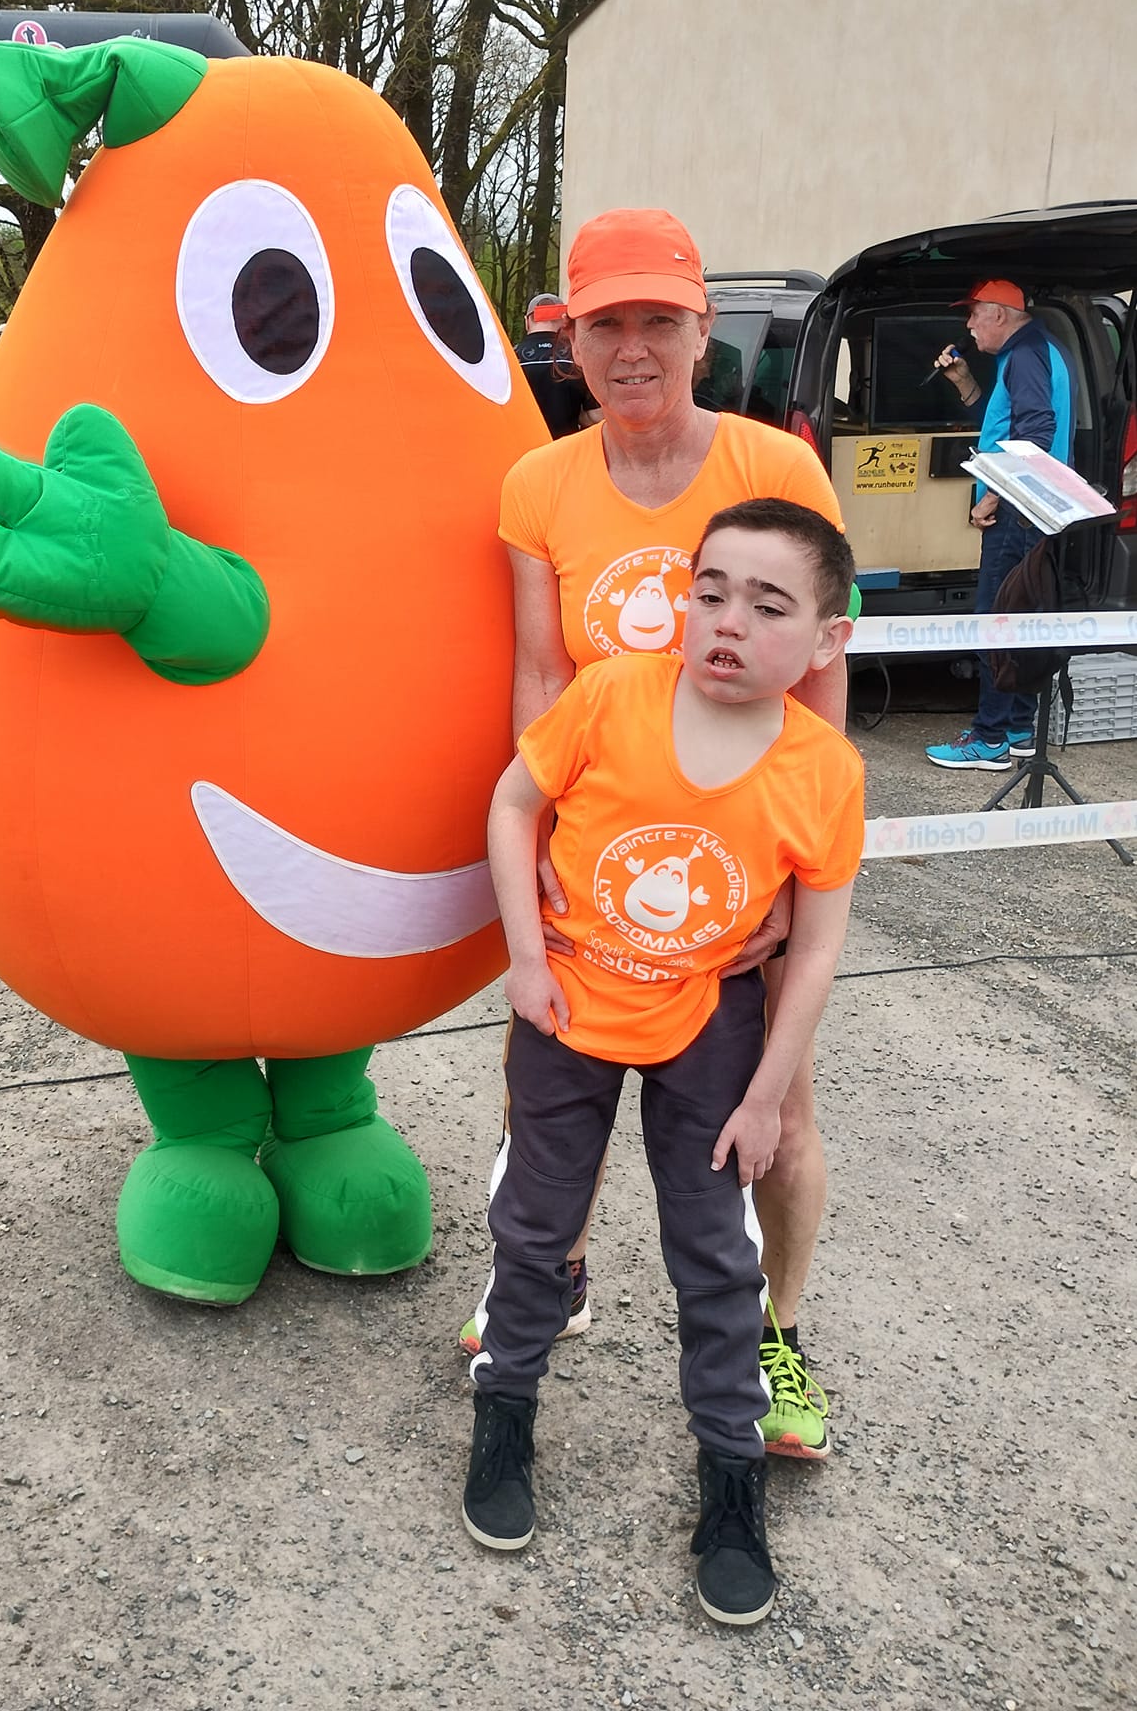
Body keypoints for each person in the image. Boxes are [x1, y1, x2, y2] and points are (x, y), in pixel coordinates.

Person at [460, 208, 849, 1465]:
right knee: (550, 1083)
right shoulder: (539, 481)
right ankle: (549, 1273)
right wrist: (549, 862)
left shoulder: (776, 467)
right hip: (601, 859)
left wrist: (795, 883)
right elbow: (538, 674)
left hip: (750, 862)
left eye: (657, 321)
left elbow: (824, 692)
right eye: (603, 323)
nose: (632, 348)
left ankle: (775, 1334)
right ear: (570, 338)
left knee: (773, 1113)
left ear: (700, 332)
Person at [464, 499, 863, 1627]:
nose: (729, 620)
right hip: (569, 1008)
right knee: (534, 1230)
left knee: (715, 1259)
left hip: (715, 1024)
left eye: (769, 604)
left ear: (827, 639)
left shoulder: (824, 770)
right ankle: (504, 1419)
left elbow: (819, 943)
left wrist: (769, 1095)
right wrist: (525, 959)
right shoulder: (610, 695)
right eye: (712, 590)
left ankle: (730, 1481)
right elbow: (512, 802)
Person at [926, 278, 1072, 769]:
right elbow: (1003, 424)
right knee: (1022, 615)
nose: (968, 325)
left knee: (997, 619)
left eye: (973, 315)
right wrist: (965, 381)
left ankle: (988, 739)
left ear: (999, 315)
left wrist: (994, 496)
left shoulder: (1026, 355)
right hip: (1036, 507)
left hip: (1020, 509)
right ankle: (1017, 730)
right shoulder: (1034, 350)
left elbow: (1035, 431)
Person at [514, 291, 596, 437]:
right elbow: (595, 417)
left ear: (527, 322)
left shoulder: (511, 360)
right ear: (564, 321)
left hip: (522, 452)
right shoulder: (577, 359)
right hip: (567, 452)